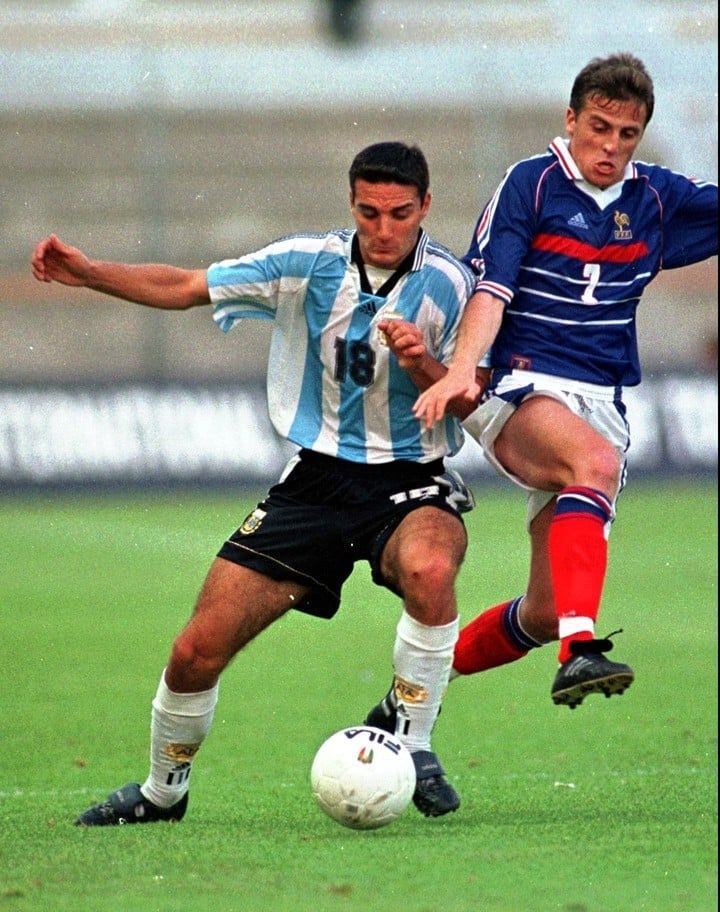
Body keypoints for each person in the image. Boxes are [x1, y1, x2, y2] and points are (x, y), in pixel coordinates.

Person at [31, 142, 481, 823]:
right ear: (351, 204)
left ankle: (413, 742)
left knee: (430, 569)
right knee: (194, 651)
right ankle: (162, 793)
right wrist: (91, 273)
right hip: (315, 482)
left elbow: (470, 401)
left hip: (411, 479)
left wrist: (424, 367)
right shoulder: (309, 263)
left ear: (426, 206)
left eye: (400, 213)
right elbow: (187, 286)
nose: (384, 229)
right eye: (368, 212)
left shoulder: (453, 284)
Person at [364, 53, 718, 732]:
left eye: (627, 135)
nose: (610, 147)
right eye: (599, 127)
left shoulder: (657, 198)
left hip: (602, 403)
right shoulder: (531, 184)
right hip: (521, 386)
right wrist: (464, 370)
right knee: (594, 466)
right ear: (571, 118)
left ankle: (409, 696)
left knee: (544, 610)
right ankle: (580, 650)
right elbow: (491, 292)